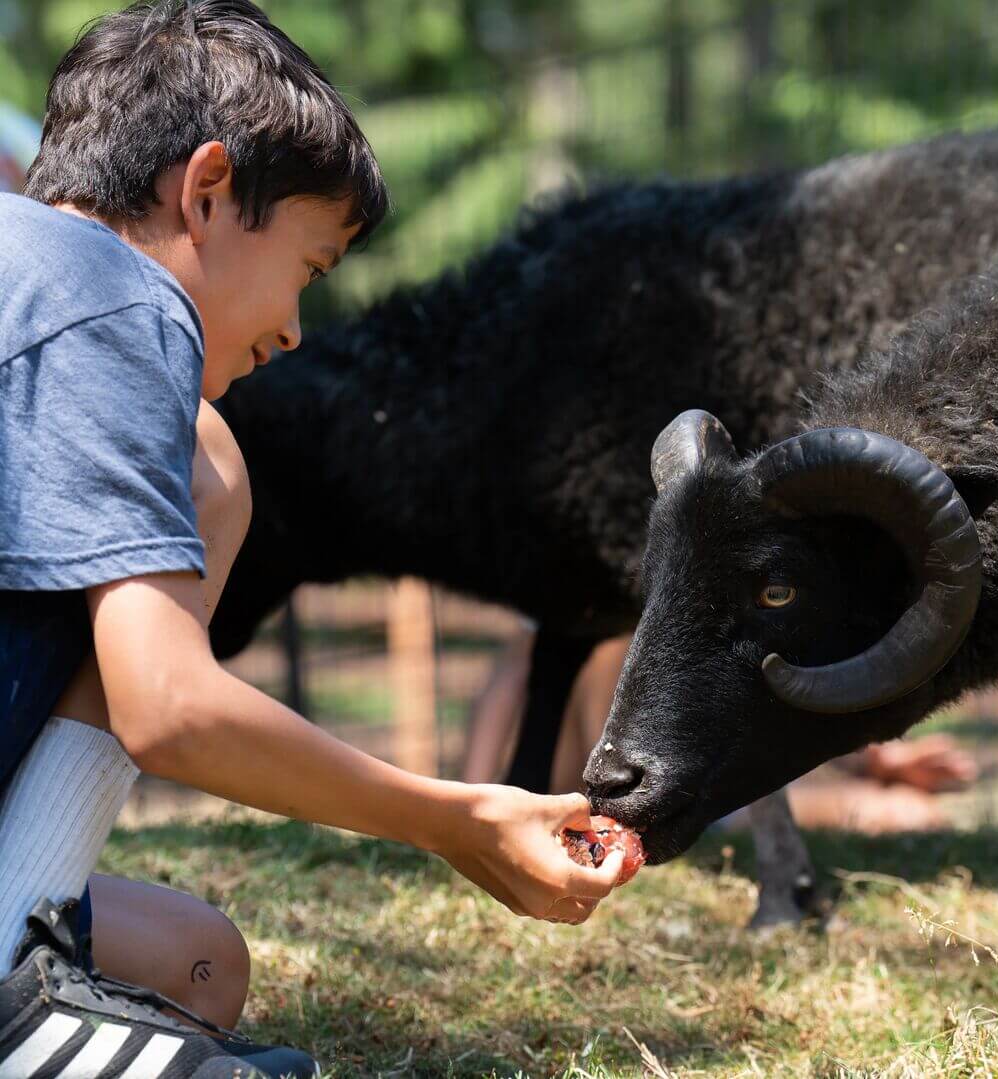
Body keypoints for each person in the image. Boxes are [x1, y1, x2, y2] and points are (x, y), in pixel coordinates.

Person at [0, 3, 624, 1076]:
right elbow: (172, 709)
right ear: (204, 191)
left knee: (198, 965)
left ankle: (22, 935)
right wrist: (457, 817)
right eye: (310, 266)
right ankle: (16, 971)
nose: (293, 329)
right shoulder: (115, 295)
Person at [465, 631, 977, 831]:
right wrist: (476, 802)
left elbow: (754, 702)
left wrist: (875, 760)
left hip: (703, 788)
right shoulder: (575, 640)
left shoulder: (673, 633)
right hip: (681, 806)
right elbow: (514, 676)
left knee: (913, 813)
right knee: (911, 816)